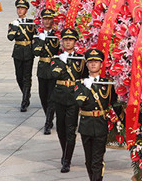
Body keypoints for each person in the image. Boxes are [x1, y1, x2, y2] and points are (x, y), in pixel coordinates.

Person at [75, 48, 118, 181]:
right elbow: (78, 102)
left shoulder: (107, 84)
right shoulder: (80, 83)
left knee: (97, 160)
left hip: (100, 124)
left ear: (101, 65)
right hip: (86, 124)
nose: (93, 64)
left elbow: (115, 104)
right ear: (87, 64)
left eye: (96, 62)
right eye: (90, 62)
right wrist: (87, 88)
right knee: (88, 160)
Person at [51, 27, 86, 173]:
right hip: (59, 96)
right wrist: (62, 62)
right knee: (60, 128)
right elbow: (53, 75)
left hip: (73, 97)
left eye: (70, 40)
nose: (68, 42)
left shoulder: (81, 59)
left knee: (71, 129)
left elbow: (84, 78)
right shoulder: (56, 58)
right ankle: (65, 151)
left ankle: (67, 160)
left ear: (75, 42)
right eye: (65, 40)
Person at [34, 8, 60, 134]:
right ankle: (48, 116)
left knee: (51, 97)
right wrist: (42, 39)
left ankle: (48, 123)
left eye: (49, 19)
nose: (47, 21)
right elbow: (36, 52)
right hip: (42, 68)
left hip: (53, 68)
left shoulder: (57, 36)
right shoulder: (39, 35)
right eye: (45, 19)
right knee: (43, 96)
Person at [7, 0, 35, 112]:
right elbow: (10, 37)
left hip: (28, 51)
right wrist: (15, 27)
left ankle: (24, 101)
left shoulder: (31, 23)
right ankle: (26, 93)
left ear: (26, 10)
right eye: (18, 8)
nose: (20, 10)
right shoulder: (13, 23)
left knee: (27, 76)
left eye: (22, 8)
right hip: (18, 51)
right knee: (19, 76)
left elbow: (36, 36)